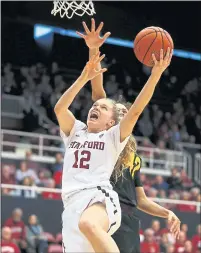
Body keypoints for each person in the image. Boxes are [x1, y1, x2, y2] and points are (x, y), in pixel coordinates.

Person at [77, 18, 181, 253]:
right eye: (119, 112)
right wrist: (93, 48)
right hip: (102, 210)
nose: (124, 113)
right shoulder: (104, 138)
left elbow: (141, 200)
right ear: (111, 122)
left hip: (129, 218)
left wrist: (167, 212)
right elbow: (98, 93)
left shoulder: (133, 158)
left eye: (126, 112)